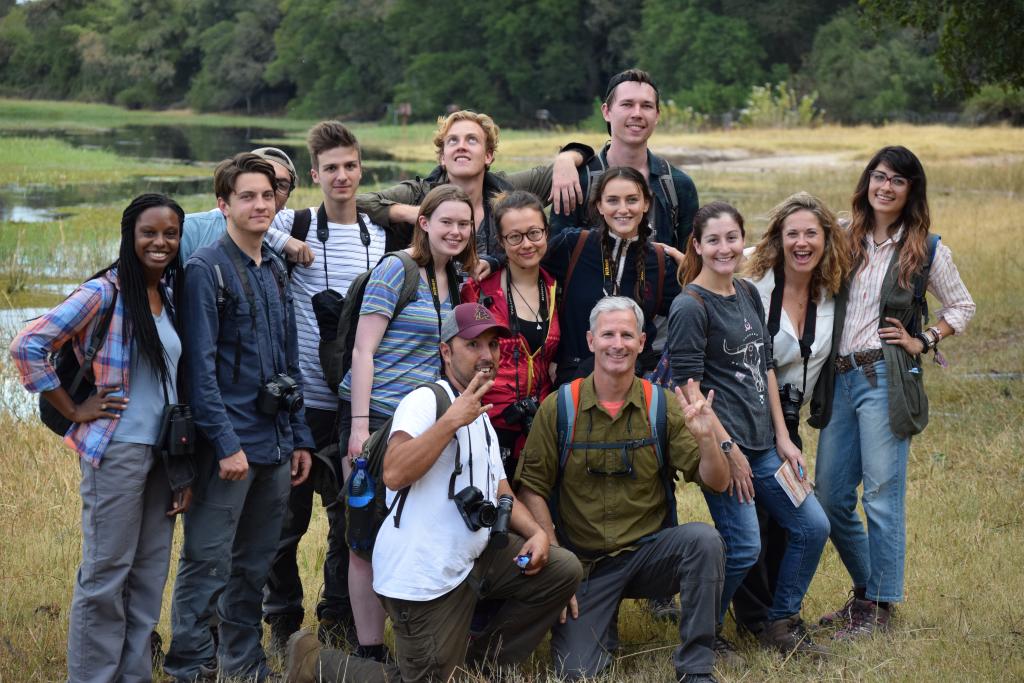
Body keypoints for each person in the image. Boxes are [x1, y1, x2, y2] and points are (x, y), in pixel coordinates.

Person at [287, 303, 583, 683]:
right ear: (445, 351)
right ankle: (316, 663)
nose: (487, 355)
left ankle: (480, 666)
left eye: (493, 345)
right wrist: (451, 421)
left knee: (562, 569)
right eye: (473, 345)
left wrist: (539, 533)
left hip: (470, 560)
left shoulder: (482, 416)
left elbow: (499, 486)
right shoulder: (426, 401)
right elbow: (394, 472)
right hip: (423, 580)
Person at [10, 193, 194, 683]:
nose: (160, 242)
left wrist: (182, 463)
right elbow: (28, 343)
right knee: (106, 574)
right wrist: (73, 408)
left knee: (149, 573)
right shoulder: (105, 292)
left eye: (170, 233)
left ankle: (132, 674)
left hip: (163, 453)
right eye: (149, 233)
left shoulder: (170, 295)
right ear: (129, 235)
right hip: (116, 451)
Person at [514, 296, 729, 683]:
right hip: (585, 565)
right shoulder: (559, 406)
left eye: (627, 335)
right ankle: (601, 626)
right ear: (591, 340)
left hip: (648, 555)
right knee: (576, 673)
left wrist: (707, 439)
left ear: (642, 342)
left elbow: (717, 480)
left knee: (704, 541)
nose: (618, 343)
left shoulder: (661, 405)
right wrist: (558, 562)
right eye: (608, 334)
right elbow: (531, 487)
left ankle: (696, 667)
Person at [810, 146, 975, 637]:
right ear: (867, 182)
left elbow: (962, 307)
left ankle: (879, 607)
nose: (885, 187)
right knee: (830, 496)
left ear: (910, 191)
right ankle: (869, 590)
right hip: (838, 379)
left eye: (897, 181)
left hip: (884, 377)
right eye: (879, 177)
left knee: (881, 494)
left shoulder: (925, 249)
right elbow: (790, 254)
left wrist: (922, 339)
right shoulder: (845, 235)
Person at [164, 153, 314, 682]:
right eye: (247, 196)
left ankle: (243, 662)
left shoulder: (274, 267)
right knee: (207, 562)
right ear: (223, 204)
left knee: (254, 564)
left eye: (267, 196)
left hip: (274, 444)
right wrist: (226, 445)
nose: (259, 205)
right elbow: (198, 373)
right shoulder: (207, 268)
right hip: (228, 449)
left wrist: (298, 438)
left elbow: (288, 364)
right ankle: (189, 666)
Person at [668, 201, 831, 660]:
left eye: (732, 238)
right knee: (742, 547)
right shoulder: (690, 306)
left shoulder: (746, 292)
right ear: (697, 246)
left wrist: (783, 438)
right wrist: (727, 449)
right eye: (713, 241)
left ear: (744, 240)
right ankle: (705, 632)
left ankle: (780, 621)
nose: (725, 249)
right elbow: (689, 389)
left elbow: (767, 368)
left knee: (813, 525)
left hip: (765, 447)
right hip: (726, 449)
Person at [336, 184, 478, 663]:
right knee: (365, 535)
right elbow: (363, 350)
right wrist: (358, 426)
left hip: (421, 420)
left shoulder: (455, 280)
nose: (455, 231)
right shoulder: (398, 269)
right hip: (376, 415)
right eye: (447, 222)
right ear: (424, 223)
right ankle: (369, 650)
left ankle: (406, 637)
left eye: (464, 224)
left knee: (405, 528)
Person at [261, 121, 388, 652]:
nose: (341, 176)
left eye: (350, 166)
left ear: (361, 170)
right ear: (314, 174)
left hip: (350, 404)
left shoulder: (378, 234)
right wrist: (287, 240)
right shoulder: (296, 220)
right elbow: (237, 211)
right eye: (330, 168)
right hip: (299, 403)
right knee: (283, 525)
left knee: (348, 522)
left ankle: (335, 618)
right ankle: (283, 621)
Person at [730, 192, 851, 637]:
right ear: (778, 239)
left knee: (790, 521)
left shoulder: (832, 294)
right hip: (751, 417)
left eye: (811, 234)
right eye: (792, 234)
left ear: (826, 239)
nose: (801, 243)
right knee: (755, 521)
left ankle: (776, 615)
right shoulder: (756, 288)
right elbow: (722, 251)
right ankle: (753, 618)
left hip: (790, 422)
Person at [356, 109, 592, 275]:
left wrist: (564, 159)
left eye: (471, 140)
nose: (461, 146)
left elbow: (584, 155)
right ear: (442, 158)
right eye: (453, 141)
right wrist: (415, 213)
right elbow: (357, 202)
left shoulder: (507, 189)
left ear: (488, 155)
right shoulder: (419, 192)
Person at [544, 166, 680, 386]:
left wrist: (692, 268)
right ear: (599, 205)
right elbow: (526, 262)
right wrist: (493, 262)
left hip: (635, 382)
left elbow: (687, 315)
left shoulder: (660, 262)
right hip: (574, 380)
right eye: (613, 200)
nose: (623, 209)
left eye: (632, 200)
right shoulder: (573, 245)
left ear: (646, 204)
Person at [461, 190, 560, 474]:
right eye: (514, 237)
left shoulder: (555, 287)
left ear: (546, 233)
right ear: (501, 242)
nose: (526, 244)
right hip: (488, 424)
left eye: (534, 233)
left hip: (538, 428)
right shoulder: (479, 290)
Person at [550, 68, 699, 251]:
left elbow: (692, 262)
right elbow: (554, 258)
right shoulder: (577, 182)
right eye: (627, 104)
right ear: (606, 112)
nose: (637, 113)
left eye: (646, 106)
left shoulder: (677, 186)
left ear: (657, 115)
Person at [179, 145, 313, 266]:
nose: (261, 204)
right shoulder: (189, 229)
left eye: (281, 185)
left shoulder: (291, 227)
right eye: (248, 194)